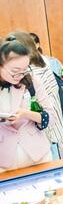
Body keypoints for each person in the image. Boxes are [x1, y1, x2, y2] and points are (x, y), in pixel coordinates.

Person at [0, 37, 55, 171]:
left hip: (38, 156)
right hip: (4, 160)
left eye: (24, 70)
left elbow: (51, 117)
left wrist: (26, 114)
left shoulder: (32, 82)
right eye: (14, 71)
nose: (20, 75)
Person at [11, 31, 63, 159]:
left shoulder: (33, 72)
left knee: (51, 156)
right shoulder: (41, 61)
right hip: (44, 123)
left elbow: (47, 111)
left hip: (42, 127)